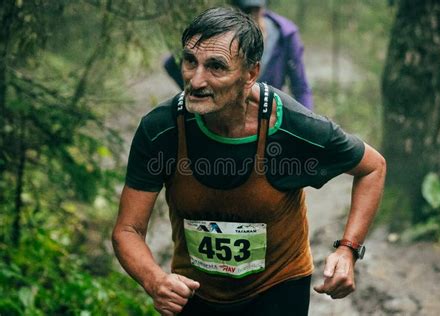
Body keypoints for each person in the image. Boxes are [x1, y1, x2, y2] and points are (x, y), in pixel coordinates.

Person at [113, 7, 385, 316]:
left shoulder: (290, 126)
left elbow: (373, 167)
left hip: (278, 288)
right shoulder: (161, 129)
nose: (195, 79)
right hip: (195, 292)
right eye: (190, 61)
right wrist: (155, 280)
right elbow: (127, 230)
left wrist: (348, 250)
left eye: (216, 67)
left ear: (250, 74)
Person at [163, 0, 314, 110]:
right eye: (247, 11)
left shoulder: (285, 34)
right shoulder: (220, 34)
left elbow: (300, 86)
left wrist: (305, 122)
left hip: (267, 112)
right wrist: (201, 92)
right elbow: (173, 62)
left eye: (256, 10)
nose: (253, 16)